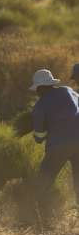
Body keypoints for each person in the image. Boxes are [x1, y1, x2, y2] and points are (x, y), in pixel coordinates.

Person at [31, 69, 79, 215]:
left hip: (58, 145)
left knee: (45, 177)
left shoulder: (39, 106)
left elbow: (39, 137)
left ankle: (41, 213)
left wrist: (43, 129)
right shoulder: (69, 91)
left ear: (39, 88)